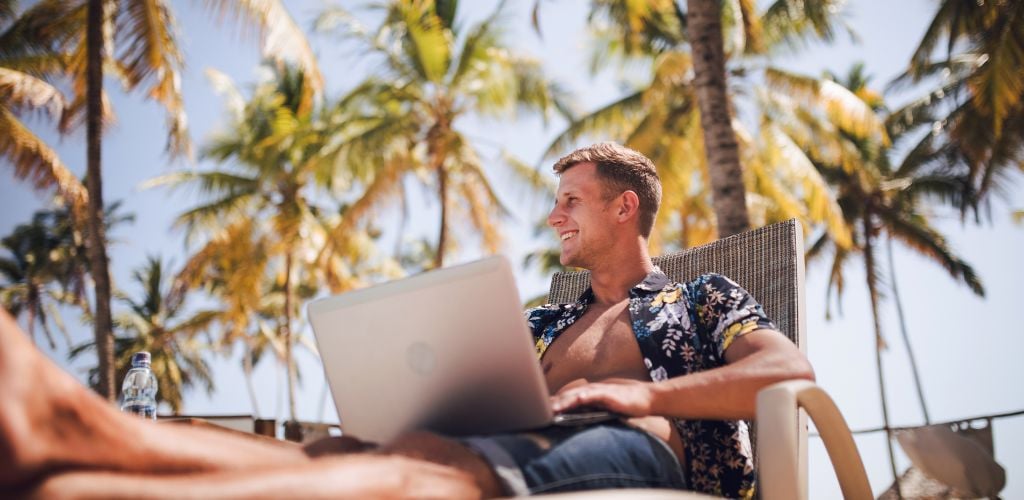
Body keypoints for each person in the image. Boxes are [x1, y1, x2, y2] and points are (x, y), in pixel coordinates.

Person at [0, 142, 813, 499]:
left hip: (646, 453)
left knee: (434, 476)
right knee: (352, 448)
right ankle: (83, 443)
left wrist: (639, 398)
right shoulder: (538, 320)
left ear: (624, 207)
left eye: (571, 200)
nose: (553, 215)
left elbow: (785, 373)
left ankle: (76, 453)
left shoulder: (699, 298)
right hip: (510, 443)